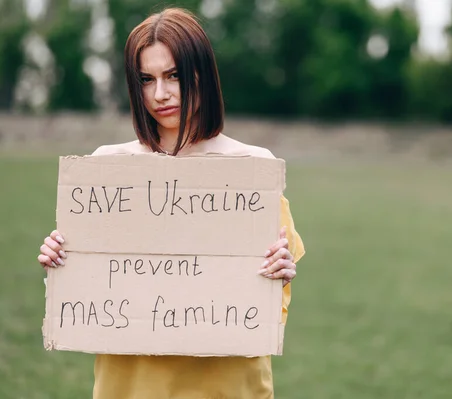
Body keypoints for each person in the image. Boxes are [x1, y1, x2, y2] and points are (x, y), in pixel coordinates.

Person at [36, 7, 305, 399]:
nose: (160, 94)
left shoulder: (253, 172)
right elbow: (93, 292)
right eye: (146, 79)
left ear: (203, 74)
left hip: (228, 387)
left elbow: (269, 306)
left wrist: (280, 272)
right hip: (130, 387)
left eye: (174, 75)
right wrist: (62, 263)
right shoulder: (108, 170)